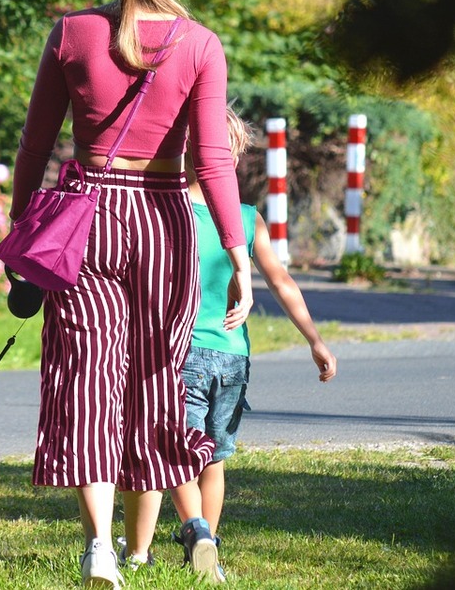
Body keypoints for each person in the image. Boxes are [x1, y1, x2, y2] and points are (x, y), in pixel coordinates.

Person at [7, 0, 253, 586]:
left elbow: (34, 146)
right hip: (163, 222)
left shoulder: (73, 33)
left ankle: (99, 547)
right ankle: (163, 528)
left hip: (86, 219)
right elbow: (212, 160)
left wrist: (18, 234)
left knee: (86, 379)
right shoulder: (201, 44)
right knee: (152, 381)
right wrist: (239, 253)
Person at [139, 109, 338, 580]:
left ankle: (196, 531)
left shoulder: (163, 211)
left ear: (182, 151)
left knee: (177, 450)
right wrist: (315, 340)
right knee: (214, 456)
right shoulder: (248, 220)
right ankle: (211, 551)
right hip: (233, 356)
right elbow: (282, 282)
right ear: (235, 157)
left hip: (179, 352)